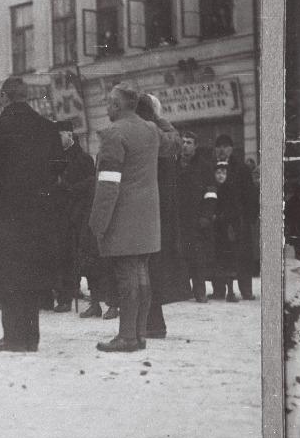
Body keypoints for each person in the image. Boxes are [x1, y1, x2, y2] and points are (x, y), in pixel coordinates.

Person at [0, 76, 63, 352]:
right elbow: (59, 166)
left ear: (4, 98)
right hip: (39, 215)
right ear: (27, 97)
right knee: (31, 276)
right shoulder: (47, 128)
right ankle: (31, 337)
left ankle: (13, 336)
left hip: (6, 217)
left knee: (10, 276)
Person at [89, 84, 162, 353]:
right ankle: (139, 334)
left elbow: (108, 183)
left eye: (109, 103)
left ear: (118, 106)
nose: (107, 107)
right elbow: (173, 140)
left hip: (123, 217)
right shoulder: (151, 130)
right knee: (142, 274)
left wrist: (98, 222)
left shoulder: (113, 134)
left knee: (127, 277)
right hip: (148, 218)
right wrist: (158, 116)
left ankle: (127, 337)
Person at [135, 94, 184, 340]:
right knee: (153, 266)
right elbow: (175, 140)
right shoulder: (163, 136)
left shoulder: (134, 134)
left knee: (137, 267)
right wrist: (160, 119)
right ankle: (154, 322)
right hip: (160, 211)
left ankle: (145, 322)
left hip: (137, 210)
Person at [52, 121, 96, 313]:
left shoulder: (83, 158)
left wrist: (69, 188)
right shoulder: (53, 158)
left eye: (59, 135)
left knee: (83, 255)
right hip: (60, 214)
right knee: (63, 257)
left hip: (79, 213)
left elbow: (91, 183)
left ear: (69, 134)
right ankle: (64, 298)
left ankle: (94, 297)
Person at [210, 134, 258, 300]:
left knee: (242, 255)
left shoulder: (241, 168)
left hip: (238, 219)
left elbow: (251, 195)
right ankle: (219, 290)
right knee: (219, 254)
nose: (222, 150)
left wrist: (251, 217)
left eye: (225, 146)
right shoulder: (212, 167)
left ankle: (246, 290)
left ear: (232, 148)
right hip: (218, 219)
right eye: (219, 146)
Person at [177, 131, 216, 302]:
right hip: (179, 219)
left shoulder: (205, 166)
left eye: (189, 142)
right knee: (181, 255)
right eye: (183, 142)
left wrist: (206, 215)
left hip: (197, 219)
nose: (185, 145)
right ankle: (183, 291)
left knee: (198, 257)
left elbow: (211, 193)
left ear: (196, 146)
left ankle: (200, 291)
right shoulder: (174, 165)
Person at [210, 161, 242, 302]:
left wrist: (221, 217)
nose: (221, 175)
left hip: (227, 231)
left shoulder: (231, 190)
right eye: (218, 173)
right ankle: (218, 290)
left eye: (224, 173)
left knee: (228, 260)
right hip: (214, 231)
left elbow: (234, 210)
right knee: (216, 260)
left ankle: (230, 292)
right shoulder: (212, 189)